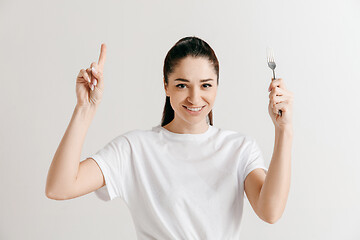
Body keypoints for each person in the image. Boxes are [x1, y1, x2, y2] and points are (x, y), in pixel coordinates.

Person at [46, 36, 294, 239]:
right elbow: (60, 187)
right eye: (182, 85)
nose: (195, 98)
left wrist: (283, 130)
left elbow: (270, 211)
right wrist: (85, 108)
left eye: (206, 85)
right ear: (166, 86)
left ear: (217, 85)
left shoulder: (239, 149)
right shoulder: (135, 149)